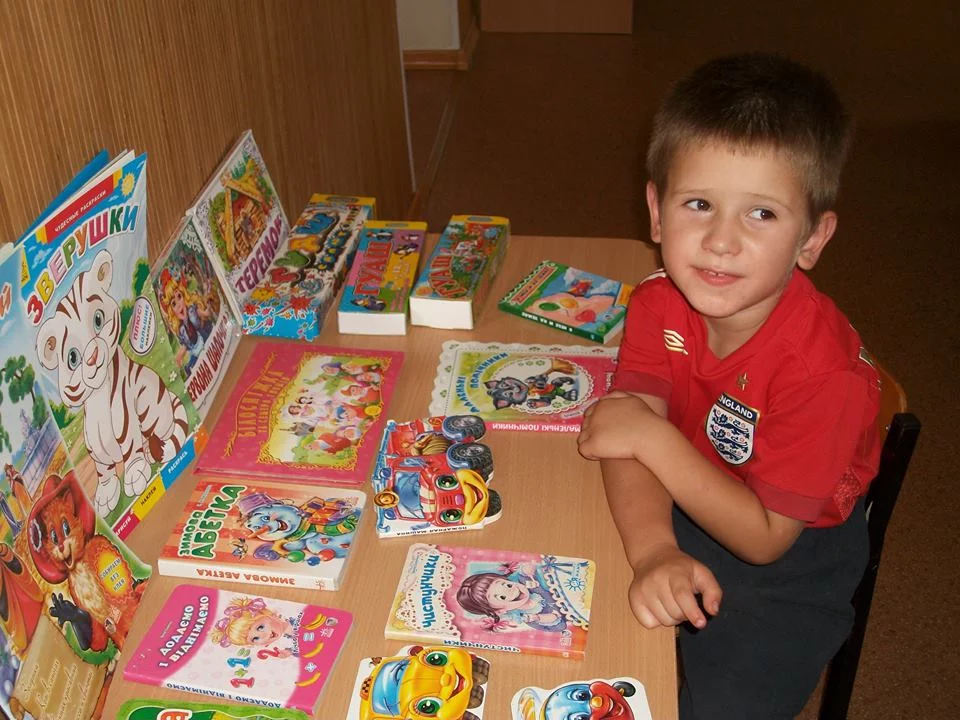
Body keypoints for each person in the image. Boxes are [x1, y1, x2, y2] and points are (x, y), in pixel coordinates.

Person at [576, 53, 882, 719]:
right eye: (699, 204)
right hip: (690, 479)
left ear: (812, 238)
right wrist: (654, 551)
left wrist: (652, 439)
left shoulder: (823, 375)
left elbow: (764, 537)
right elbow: (629, 431)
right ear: (657, 213)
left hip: (792, 551)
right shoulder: (659, 300)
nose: (720, 241)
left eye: (761, 214)